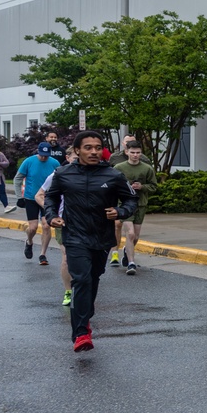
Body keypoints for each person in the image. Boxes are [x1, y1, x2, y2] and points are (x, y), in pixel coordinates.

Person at [43, 131, 137, 352]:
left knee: (93, 279)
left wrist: (120, 210)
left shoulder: (113, 175)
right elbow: (51, 197)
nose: (94, 151)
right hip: (74, 236)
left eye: (97, 147)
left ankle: (85, 317)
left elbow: (132, 198)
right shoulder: (63, 173)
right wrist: (52, 216)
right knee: (81, 280)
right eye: (88, 147)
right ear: (77, 150)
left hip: (102, 237)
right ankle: (81, 333)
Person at [113, 141, 158, 275]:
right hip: (125, 204)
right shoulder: (118, 167)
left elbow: (154, 186)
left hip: (141, 204)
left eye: (138, 153)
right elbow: (112, 185)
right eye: (132, 152)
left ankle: (127, 251)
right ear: (126, 152)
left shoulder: (147, 168)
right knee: (130, 233)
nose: (135, 155)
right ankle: (131, 263)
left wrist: (142, 187)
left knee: (136, 236)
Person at [35, 169, 73, 306]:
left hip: (88, 224)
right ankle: (68, 291)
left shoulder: (95, 172)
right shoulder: (58, 175)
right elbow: (39, 195)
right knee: (66, 257)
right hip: (64, 222)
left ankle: (83, 288)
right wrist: (52, 213)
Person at [17, 143, 60, 265]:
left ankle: (43, 254)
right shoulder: (29, 161)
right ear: (38, 152)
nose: (44, 158)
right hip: (31, 198)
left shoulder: (55, 163)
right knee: (33, 228)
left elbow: (60, 179)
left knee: (46, 225)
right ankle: (29, 242)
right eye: (42, 155)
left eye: (46, 156)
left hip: (48, 199)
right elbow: (18, 178)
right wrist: (19, 197)